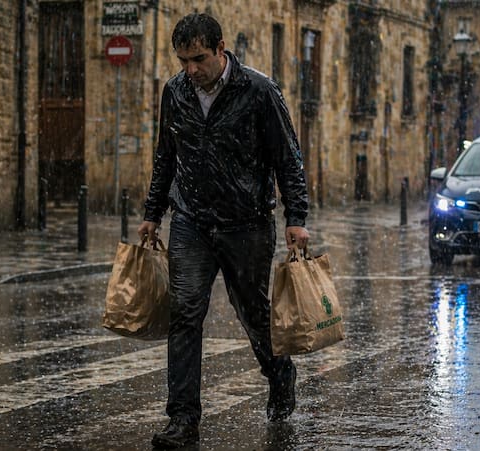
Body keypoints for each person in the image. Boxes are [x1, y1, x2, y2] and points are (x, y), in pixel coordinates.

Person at [137, 12, 309, 449]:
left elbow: (287, 158)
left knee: (253, 314)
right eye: (183, 61)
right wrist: (152, 213)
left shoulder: (258, 91)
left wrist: (296, 220)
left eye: (198, 59)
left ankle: (279, 371)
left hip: (246, 225)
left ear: (220, 49)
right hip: (191, 221)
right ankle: (183, 418)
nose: (191, 70)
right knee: (185, 314)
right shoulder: (175, 93)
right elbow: (165, 157)